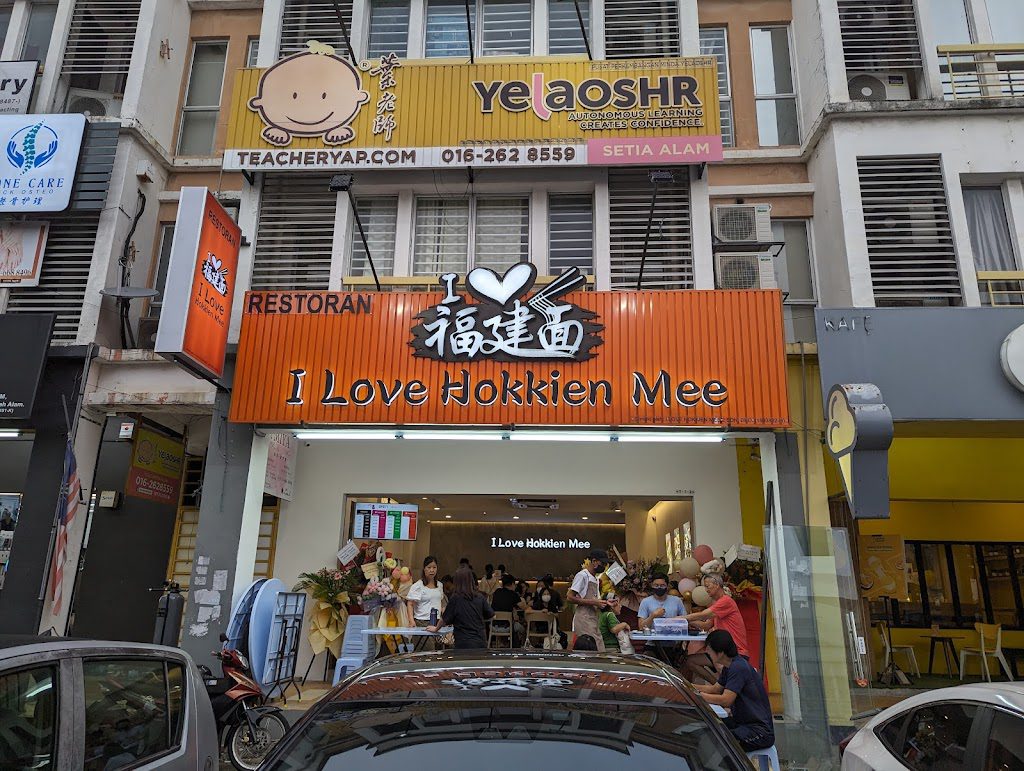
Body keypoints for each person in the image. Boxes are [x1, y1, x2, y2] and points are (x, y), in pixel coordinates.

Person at [692, 630, 774, 752]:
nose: (707, 652)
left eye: (709, 649)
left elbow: (726, 700)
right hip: (741, 723)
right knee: (705, 728)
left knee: (716, 742)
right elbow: (715, 689)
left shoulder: (738, 667)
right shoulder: (729, 666)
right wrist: (688, 686)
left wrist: (699, 696)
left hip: (759, 732)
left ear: (720, 653)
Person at [684, 574, 749, 657]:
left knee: (700, 659)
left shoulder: (726, 601)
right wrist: (687, 621)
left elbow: (703, 615)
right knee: (692, 660)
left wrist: (680, 618)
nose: (706, 590)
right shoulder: (717, 604)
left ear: (717, 585)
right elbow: (706, 625)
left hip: (736, 652)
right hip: (724, 650)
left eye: (707, 586)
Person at [427, 566, 492, 649]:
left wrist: (436, 629)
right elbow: (492, 616)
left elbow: (444, 619)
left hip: (462, 642)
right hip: (480, 641)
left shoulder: (455, 599)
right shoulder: (480, 597)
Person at [569, 550, 609, 651]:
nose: (604, 566)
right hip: (583, 618)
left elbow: (596, 600)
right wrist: (594, 602)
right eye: (603, 563)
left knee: (598, 649)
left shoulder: (595, 579)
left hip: (593, 618)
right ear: (594, 561)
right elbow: (570, 597)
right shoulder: (582, 575)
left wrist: (606, 603)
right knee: (592, 650)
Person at [406, 556, 444, 651]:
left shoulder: (440, 585)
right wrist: (411, 621)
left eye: (434, 567)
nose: (432, 570)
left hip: (437, 622)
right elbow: (410, 604)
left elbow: (441, 602)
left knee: (438, 651)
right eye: (429, 567)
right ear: (424, 569)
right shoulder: (418, 586)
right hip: (422, 622)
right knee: (427, 651)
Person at [490, 574, 526, 645]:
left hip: (493, 626)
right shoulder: (513, 594)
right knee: (523, 629)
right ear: (512, 584)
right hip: (507, 627)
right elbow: (523, 607)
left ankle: (504, 644)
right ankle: (520, 647)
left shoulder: (497, 592)